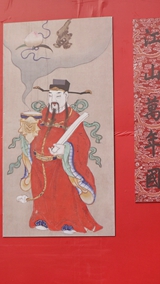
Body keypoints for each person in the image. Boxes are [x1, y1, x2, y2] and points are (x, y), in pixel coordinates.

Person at [15, 78, 102, 234]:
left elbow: (82, 141)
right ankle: (41, 217)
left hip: (60, 164)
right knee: (41, 193)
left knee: (63, 194)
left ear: (66, 96)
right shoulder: (43, 113)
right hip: (39, 162)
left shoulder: (73, 117)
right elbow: (34, 132)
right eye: (51, 96)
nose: (54, 100)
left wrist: (65, 149)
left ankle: (68, 221)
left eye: (58, 96)